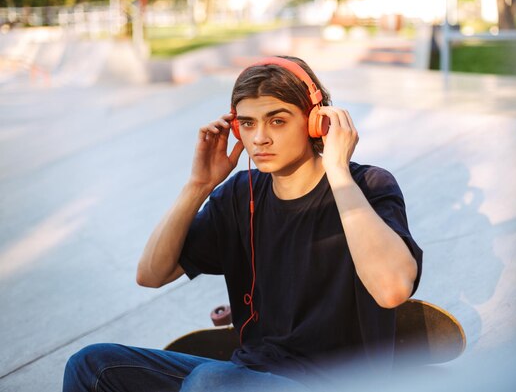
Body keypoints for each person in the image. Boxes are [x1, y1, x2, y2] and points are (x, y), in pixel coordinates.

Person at [63, 56, 422, 391]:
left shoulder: (368, 186)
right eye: (247, 123)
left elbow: (392, 288)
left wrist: (338, 172)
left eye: (277, 121)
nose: (259, 138)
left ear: (319, 123)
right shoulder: (240, 195)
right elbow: (152, 274)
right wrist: (198, 186)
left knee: (210, 381)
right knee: (92, 364)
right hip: (247, 374)